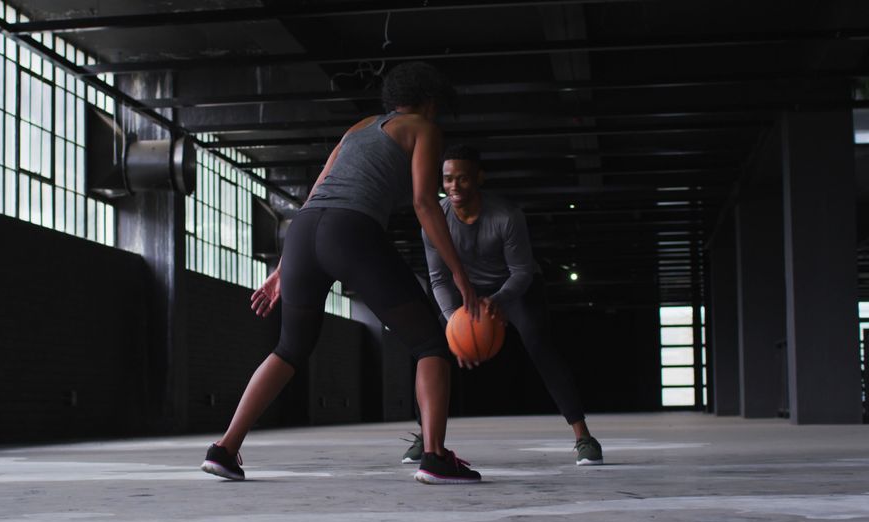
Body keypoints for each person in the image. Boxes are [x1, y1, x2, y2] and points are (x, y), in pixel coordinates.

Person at [201, 62, 483, 484]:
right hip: (350, 230)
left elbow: (317, 189)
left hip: (304, 231)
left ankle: (224, 448)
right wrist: (460, 275)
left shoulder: (359, 127)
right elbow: (426, 203)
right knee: (430, 345)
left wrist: (282, 269)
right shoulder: (423, 128)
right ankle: (435, 456)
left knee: (289, 347)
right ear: (430, 102)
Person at [400, 145, 604, 466]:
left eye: (463, 179)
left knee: (539, 345)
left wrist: (497, 302)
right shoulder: (434, 220)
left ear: (479, 178)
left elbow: (522, 272)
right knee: (431, 349)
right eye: (448, 179)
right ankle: (425, 436)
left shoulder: (506, 216)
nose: (454, 186)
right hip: (465, 292)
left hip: (515, 288)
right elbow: (438, 279)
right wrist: (456, 321)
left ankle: (584, 436)